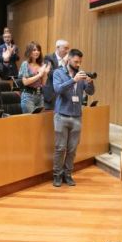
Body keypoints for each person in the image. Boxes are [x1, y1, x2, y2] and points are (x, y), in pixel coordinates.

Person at [52, 48, 95, 187]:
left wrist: (90, 82)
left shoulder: (81, 74)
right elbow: (58, 89)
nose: (78, 64)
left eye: (80, 62)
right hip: (61, 116)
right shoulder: (58, 72)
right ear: (68, 59)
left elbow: (91, 92)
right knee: (60, 148)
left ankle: (68, 174)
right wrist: (73, 80)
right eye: (76, 61)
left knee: (72, 149)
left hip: (76, 116)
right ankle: (57, 175)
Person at [18, 41, 51, 113]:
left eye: (38, 50)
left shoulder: (41, 64)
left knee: (39, 121)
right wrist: (39, 75)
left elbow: (43, 83)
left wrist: (45, 74)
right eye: (34, 50)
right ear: (29, 51)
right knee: (30, 121)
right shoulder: (25, 64)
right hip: (28, 96)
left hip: (40, 95)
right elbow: (25, 82)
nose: (37, 52)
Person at [42, 39, 70, 110]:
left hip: (64, 95)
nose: (67, 51)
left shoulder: (69, 60)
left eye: (68, 49)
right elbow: (51, 74)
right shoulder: (49, 58)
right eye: (65, 48)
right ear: (57, 47)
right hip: (52, 95)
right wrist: (63, 64)